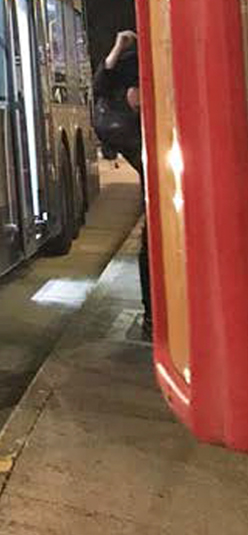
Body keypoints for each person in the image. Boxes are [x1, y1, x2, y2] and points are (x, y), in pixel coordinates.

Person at [93, 27, 151, 337]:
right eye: (136, 87)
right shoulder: (129, 129)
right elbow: (101, 83)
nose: (138, 94)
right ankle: (152, 315)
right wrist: (119, 46)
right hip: (138, 145)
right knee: (151, 238)